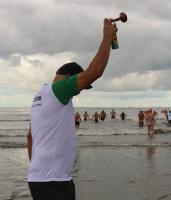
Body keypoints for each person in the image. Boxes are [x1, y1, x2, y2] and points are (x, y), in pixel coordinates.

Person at [27, 18, 117, 200]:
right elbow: (95, 71)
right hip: (53, 181)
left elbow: (30, 137)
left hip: (39, 179)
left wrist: (39, 169)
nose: (80, 91)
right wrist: (107, 38)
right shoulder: (58, 90)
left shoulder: (39, 95)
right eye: (80, 86)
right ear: (69, 78)